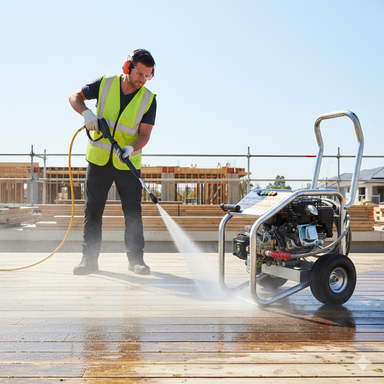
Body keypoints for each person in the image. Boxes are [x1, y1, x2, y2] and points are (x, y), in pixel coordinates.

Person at [68, 49, 157, 276]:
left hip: (127, 164)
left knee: (133, 213)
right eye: (139, 73)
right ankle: (89, 261)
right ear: (127, 67)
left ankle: (136, 261)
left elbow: (144, 135)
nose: (142, 79)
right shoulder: (105, 84)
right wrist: (87, 114)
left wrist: (131, 148)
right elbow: (74, 97)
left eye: (147, 76)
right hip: (98, 160)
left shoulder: (149, 100)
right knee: (93, 210)